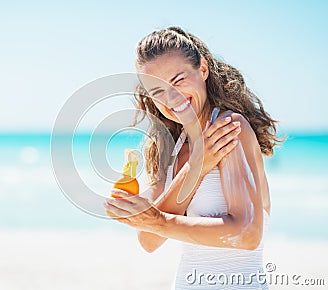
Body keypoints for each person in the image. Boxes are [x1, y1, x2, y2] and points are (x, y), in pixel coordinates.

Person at [104, 26, 281, 289]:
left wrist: (159, 220)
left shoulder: (229, 128)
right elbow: (149, 240)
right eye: (158, 91)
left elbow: (248, 234)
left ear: (203, 69)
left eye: (178, 80)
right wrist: (196, 166)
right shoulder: (173, 148)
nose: (172, 98)